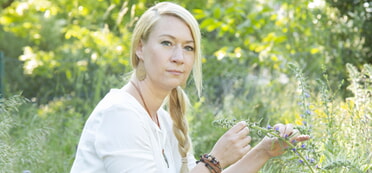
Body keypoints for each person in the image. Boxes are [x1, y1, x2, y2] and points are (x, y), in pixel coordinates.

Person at [70, 2, 310, 173]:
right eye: (167, 43)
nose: (179, 57)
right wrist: (215, 160)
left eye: (188, 47)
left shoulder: (163, 121)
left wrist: (263, 152)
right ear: (140, 48)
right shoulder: (120, 113)